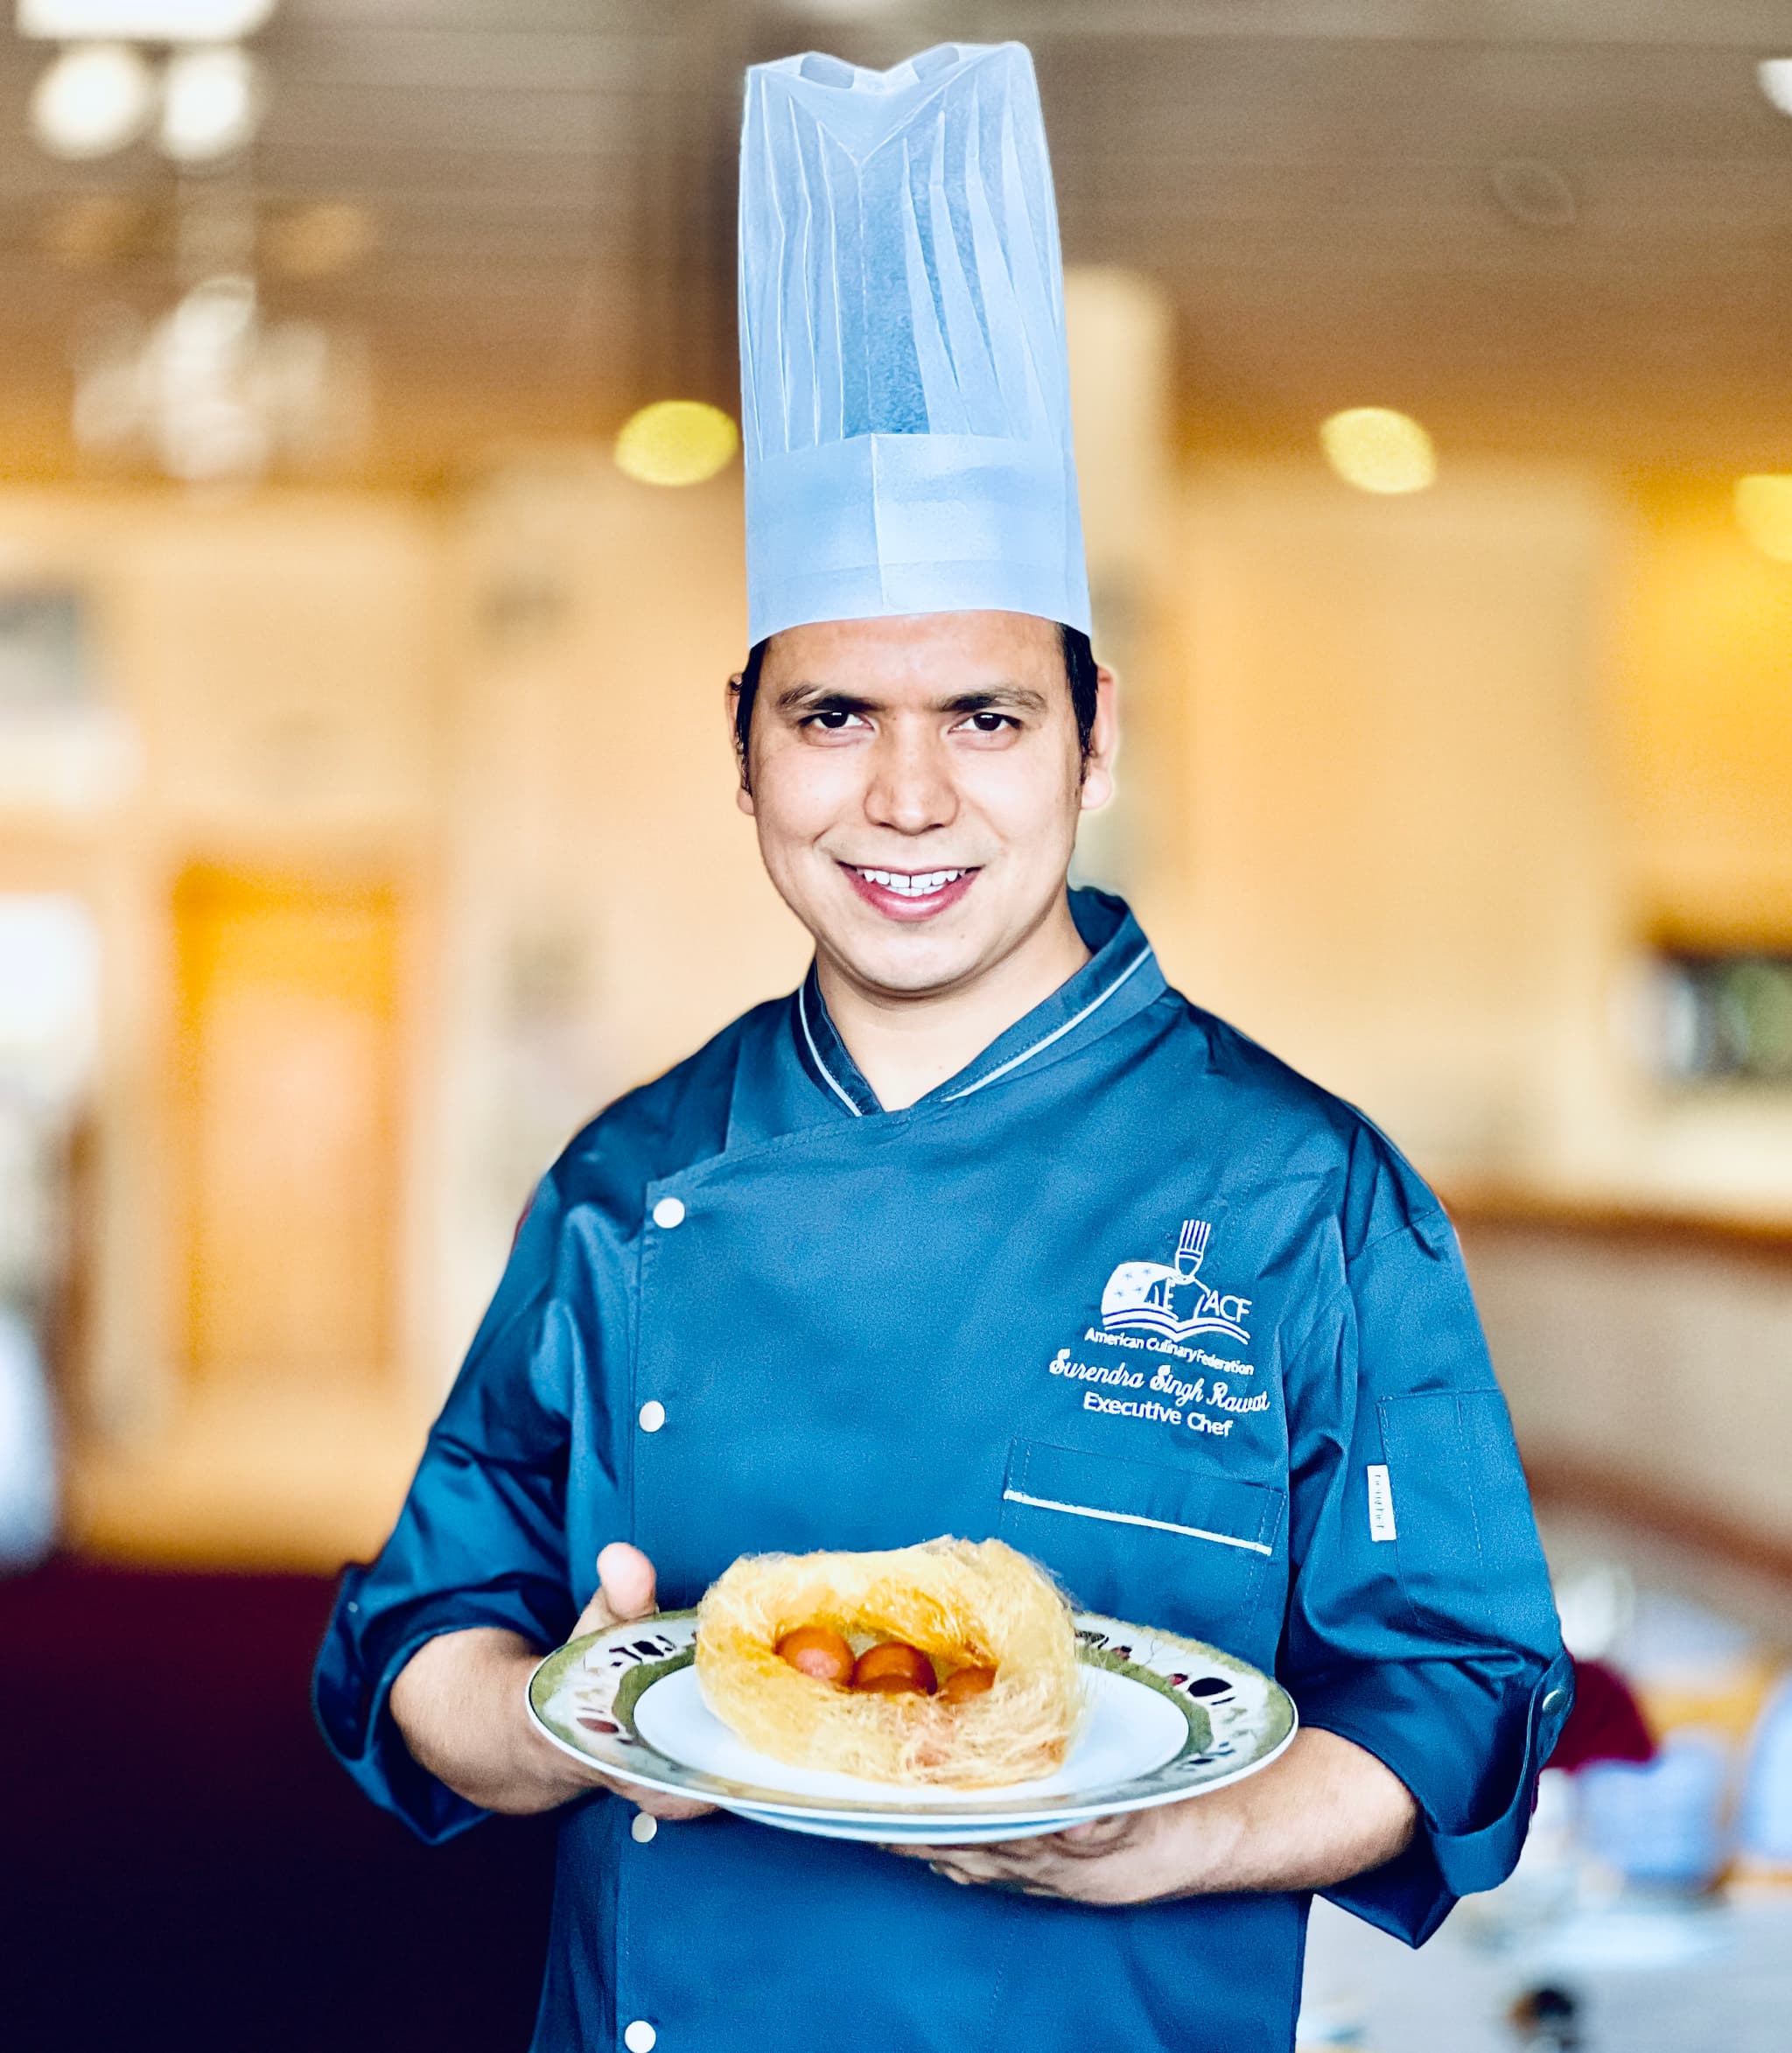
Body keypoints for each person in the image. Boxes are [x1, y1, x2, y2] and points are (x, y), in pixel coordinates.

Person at [315, 42, 1572, 2053]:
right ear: (744, 749)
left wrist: (1187, 1838)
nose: (906, 801)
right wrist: (565, 1722)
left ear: (1094, 738)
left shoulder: (1301, 1192)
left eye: (985, 717)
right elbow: (418, 1634)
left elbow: (1455, 1689)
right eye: (831, 718)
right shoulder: (632, 1178)